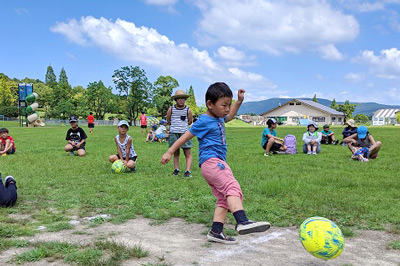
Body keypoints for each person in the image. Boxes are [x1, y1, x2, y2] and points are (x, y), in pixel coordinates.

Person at [161, 82, 270, 244]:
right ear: (210, 104)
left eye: (229, 105)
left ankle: (216, 231)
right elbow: (185, 136)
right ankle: (242, 221)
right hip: (212, 162)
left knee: (223, 199)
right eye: (224, 105)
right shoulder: (203, 121)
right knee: (232, 188)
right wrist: (170, 151)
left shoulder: (219, 117)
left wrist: (238, 102)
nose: (227, 109)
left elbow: (230, 116)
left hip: (214, 163)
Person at [167, 90, 194, 178]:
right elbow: (168, 120)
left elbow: (190, 121)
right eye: (179, 99)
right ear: (176, 100)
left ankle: (188, 171)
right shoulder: (171, 109)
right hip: (174, 132)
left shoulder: (188, 109)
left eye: (183, 99)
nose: (181, 101)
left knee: (188, 153)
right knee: (175, 152)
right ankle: (176, 169)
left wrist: (183, 127)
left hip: (185, 133)